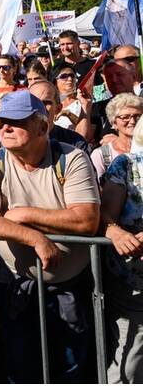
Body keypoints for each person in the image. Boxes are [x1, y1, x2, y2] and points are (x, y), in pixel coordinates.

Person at [0, 91, 100, 384]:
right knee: (21, 365)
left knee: (71, 367)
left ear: (43, 126)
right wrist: (36, 239)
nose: (4, 129)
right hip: (18, 286)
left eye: (15, 123)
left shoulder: (71, 158)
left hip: (68, 287)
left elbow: (86, 219)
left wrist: (24, 213)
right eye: (1, 123)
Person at [98, 119, 143, 383]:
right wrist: (115, 232)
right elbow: (105, 215)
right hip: (133, 280)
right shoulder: (127, 165)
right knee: (130, 360)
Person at [94, 94, 143, 178]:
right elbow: (99, 188)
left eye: (137, 116)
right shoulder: (103, 154)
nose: (132, 121)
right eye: (125, 117)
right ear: (114, 123)